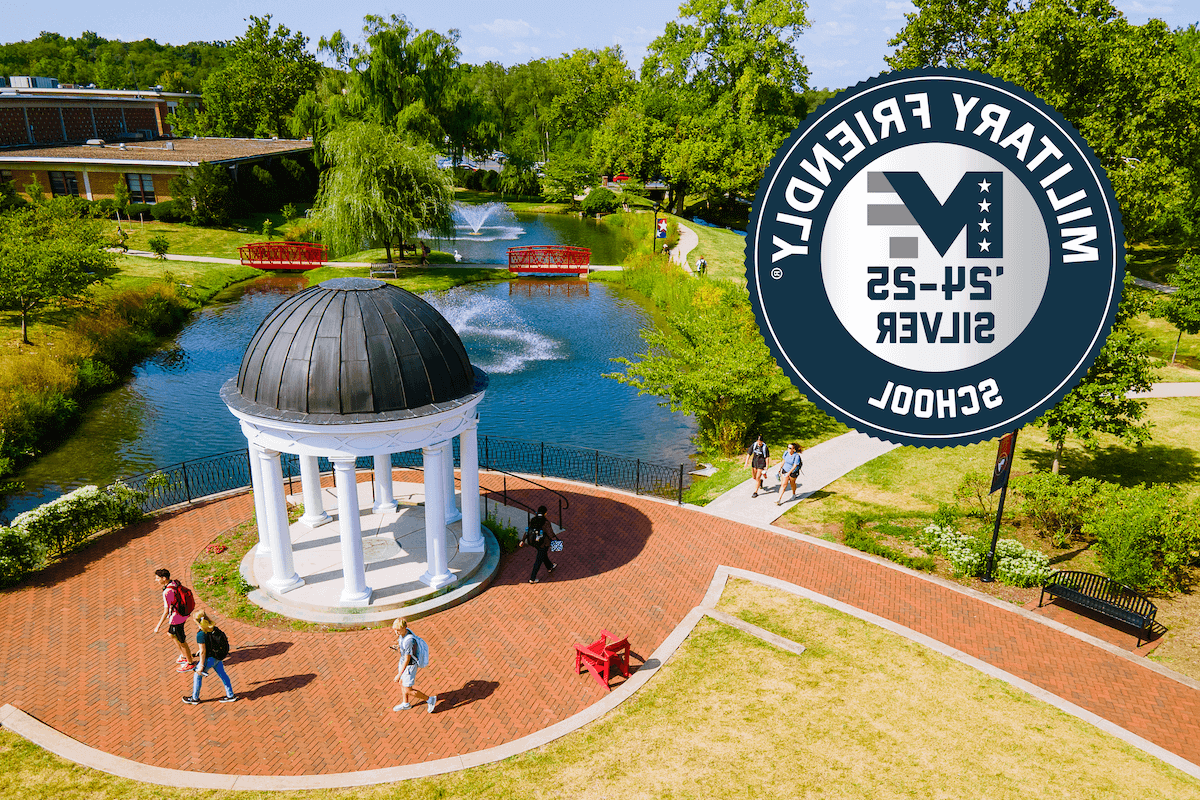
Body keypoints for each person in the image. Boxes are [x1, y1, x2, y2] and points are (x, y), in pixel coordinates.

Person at [182, 610, 237, 704]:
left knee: (197, 676)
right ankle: (230, 695)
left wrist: (201, 666)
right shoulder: (213, 628)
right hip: (218, 657)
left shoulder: (200, 634)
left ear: (197, 622)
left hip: (209, 659)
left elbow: (203, 652)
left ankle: (195, 698)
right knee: (223, 675)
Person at [153, 568, 196, 672]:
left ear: (164, 578)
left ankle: (190, 662)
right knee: (171, 634)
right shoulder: (174, 583)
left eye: (157, 578)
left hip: (177, 618)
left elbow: (166, 611)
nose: (156, 580)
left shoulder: (167, 592)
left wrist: (158, 626)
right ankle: (183, 655)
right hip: (182, 614)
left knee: (182, 641)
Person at [391, 618, 435, 713]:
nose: (396, 632)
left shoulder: (409, 641)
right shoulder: (404, 634)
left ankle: (430, 700)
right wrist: (399, 647)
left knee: (408, 690)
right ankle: (405, 704)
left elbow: (407, 659)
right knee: (402, 683)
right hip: (404, 662)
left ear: (404, 627)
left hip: (409, 666)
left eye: (398, 630)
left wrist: (399, 674)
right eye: (395, 630)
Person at [519, 505, 556, 583]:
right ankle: (532, 578)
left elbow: (528, 531)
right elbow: (550, 534)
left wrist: (523, 540)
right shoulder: (545, 522)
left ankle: (550, 566)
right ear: (545, 513)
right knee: (538, 560)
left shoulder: (533, 520)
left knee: (542, 554)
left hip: (534, 543)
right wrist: (555, 539)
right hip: (544, 543)